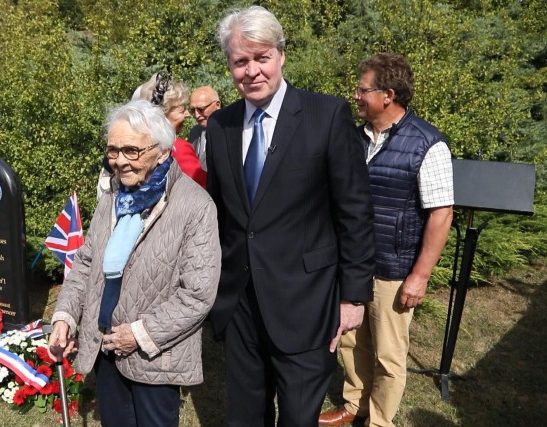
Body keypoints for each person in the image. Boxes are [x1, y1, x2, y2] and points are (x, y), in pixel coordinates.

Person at [205, 7, 375, 426]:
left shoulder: (327, 115)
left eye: (261, 57)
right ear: (229, 66)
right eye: (240, 61)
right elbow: (220, 213)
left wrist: (353, 296)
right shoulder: (220, 125)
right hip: (241, 302)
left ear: (281, 56)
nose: (252, 71)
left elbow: (354, 210)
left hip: (307, 301)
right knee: (245, 416)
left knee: (299, 417)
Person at [49, 99, 221, 427]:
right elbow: (86, 262)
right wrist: (65, 317)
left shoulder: (195, 207)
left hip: (155, 357)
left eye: (131, 151)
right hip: (106, 347)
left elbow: (198, 293)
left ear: (163, 151)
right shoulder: (114, 196)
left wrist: (140, 334)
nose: (120, 162)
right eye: (113, 150)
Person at [318, 53, 454, 427]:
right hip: (350, 263)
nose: (356, 96)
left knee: (389, 353)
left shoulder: (428, 144)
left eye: (363, 90)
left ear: (388, 95)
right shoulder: (352, 137)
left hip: (393, 267)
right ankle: (353, 405)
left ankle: (379, 420)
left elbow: (441, 215)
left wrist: (420, 276)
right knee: (350, 341)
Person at [134, 72, 207, 187]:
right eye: (182, 110)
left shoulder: (137, 145)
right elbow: (202, 186)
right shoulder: (178, 148)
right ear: (164, 114)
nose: (188, 114)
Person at [188, 86, 222, 171]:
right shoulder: (194, 132)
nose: (196, 115)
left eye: (201, 109)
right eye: (193, 110)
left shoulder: (229, 132)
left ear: (217, 105)